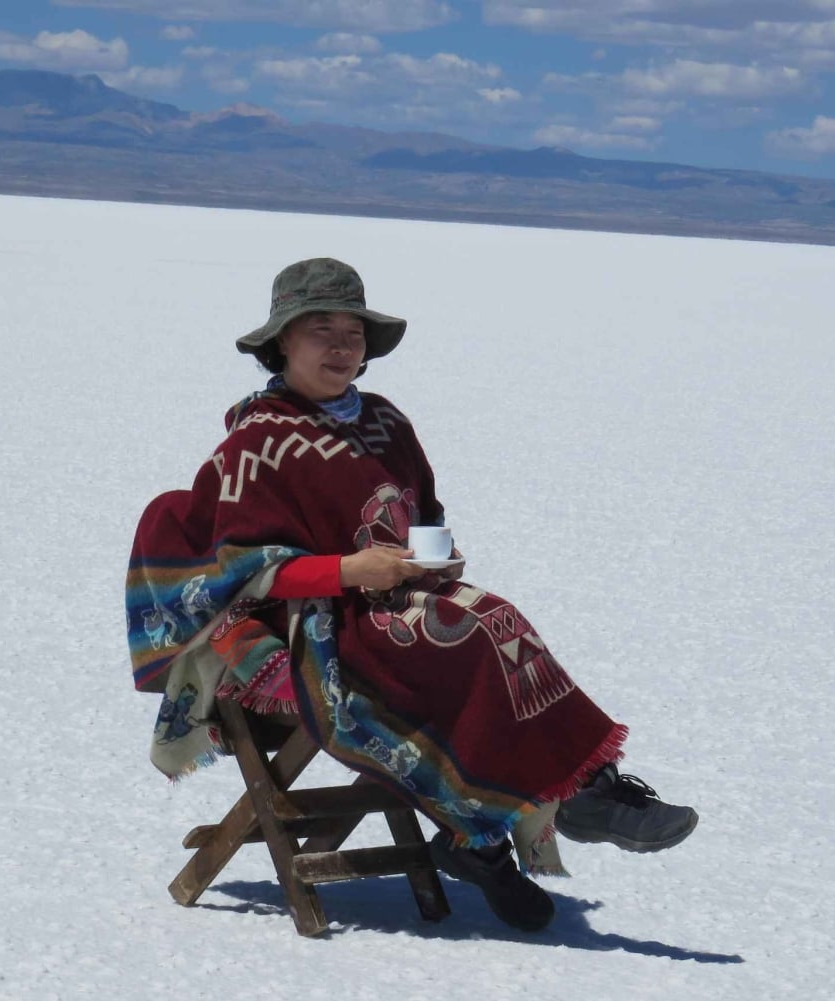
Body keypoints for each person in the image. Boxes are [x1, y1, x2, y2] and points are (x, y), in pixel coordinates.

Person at [126, 258, 697, 933]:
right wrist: (350, 570)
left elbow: (421, 512)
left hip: (394, 599)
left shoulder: (386, 423)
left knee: (495, 617)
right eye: (321, 331)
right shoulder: (258, 442)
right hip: (319, 627)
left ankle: (564, 800)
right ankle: (502, 834)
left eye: (353, 333)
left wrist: (435, 556)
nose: (341, 346)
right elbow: (247, 572)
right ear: (283, 341)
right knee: (469, 641)